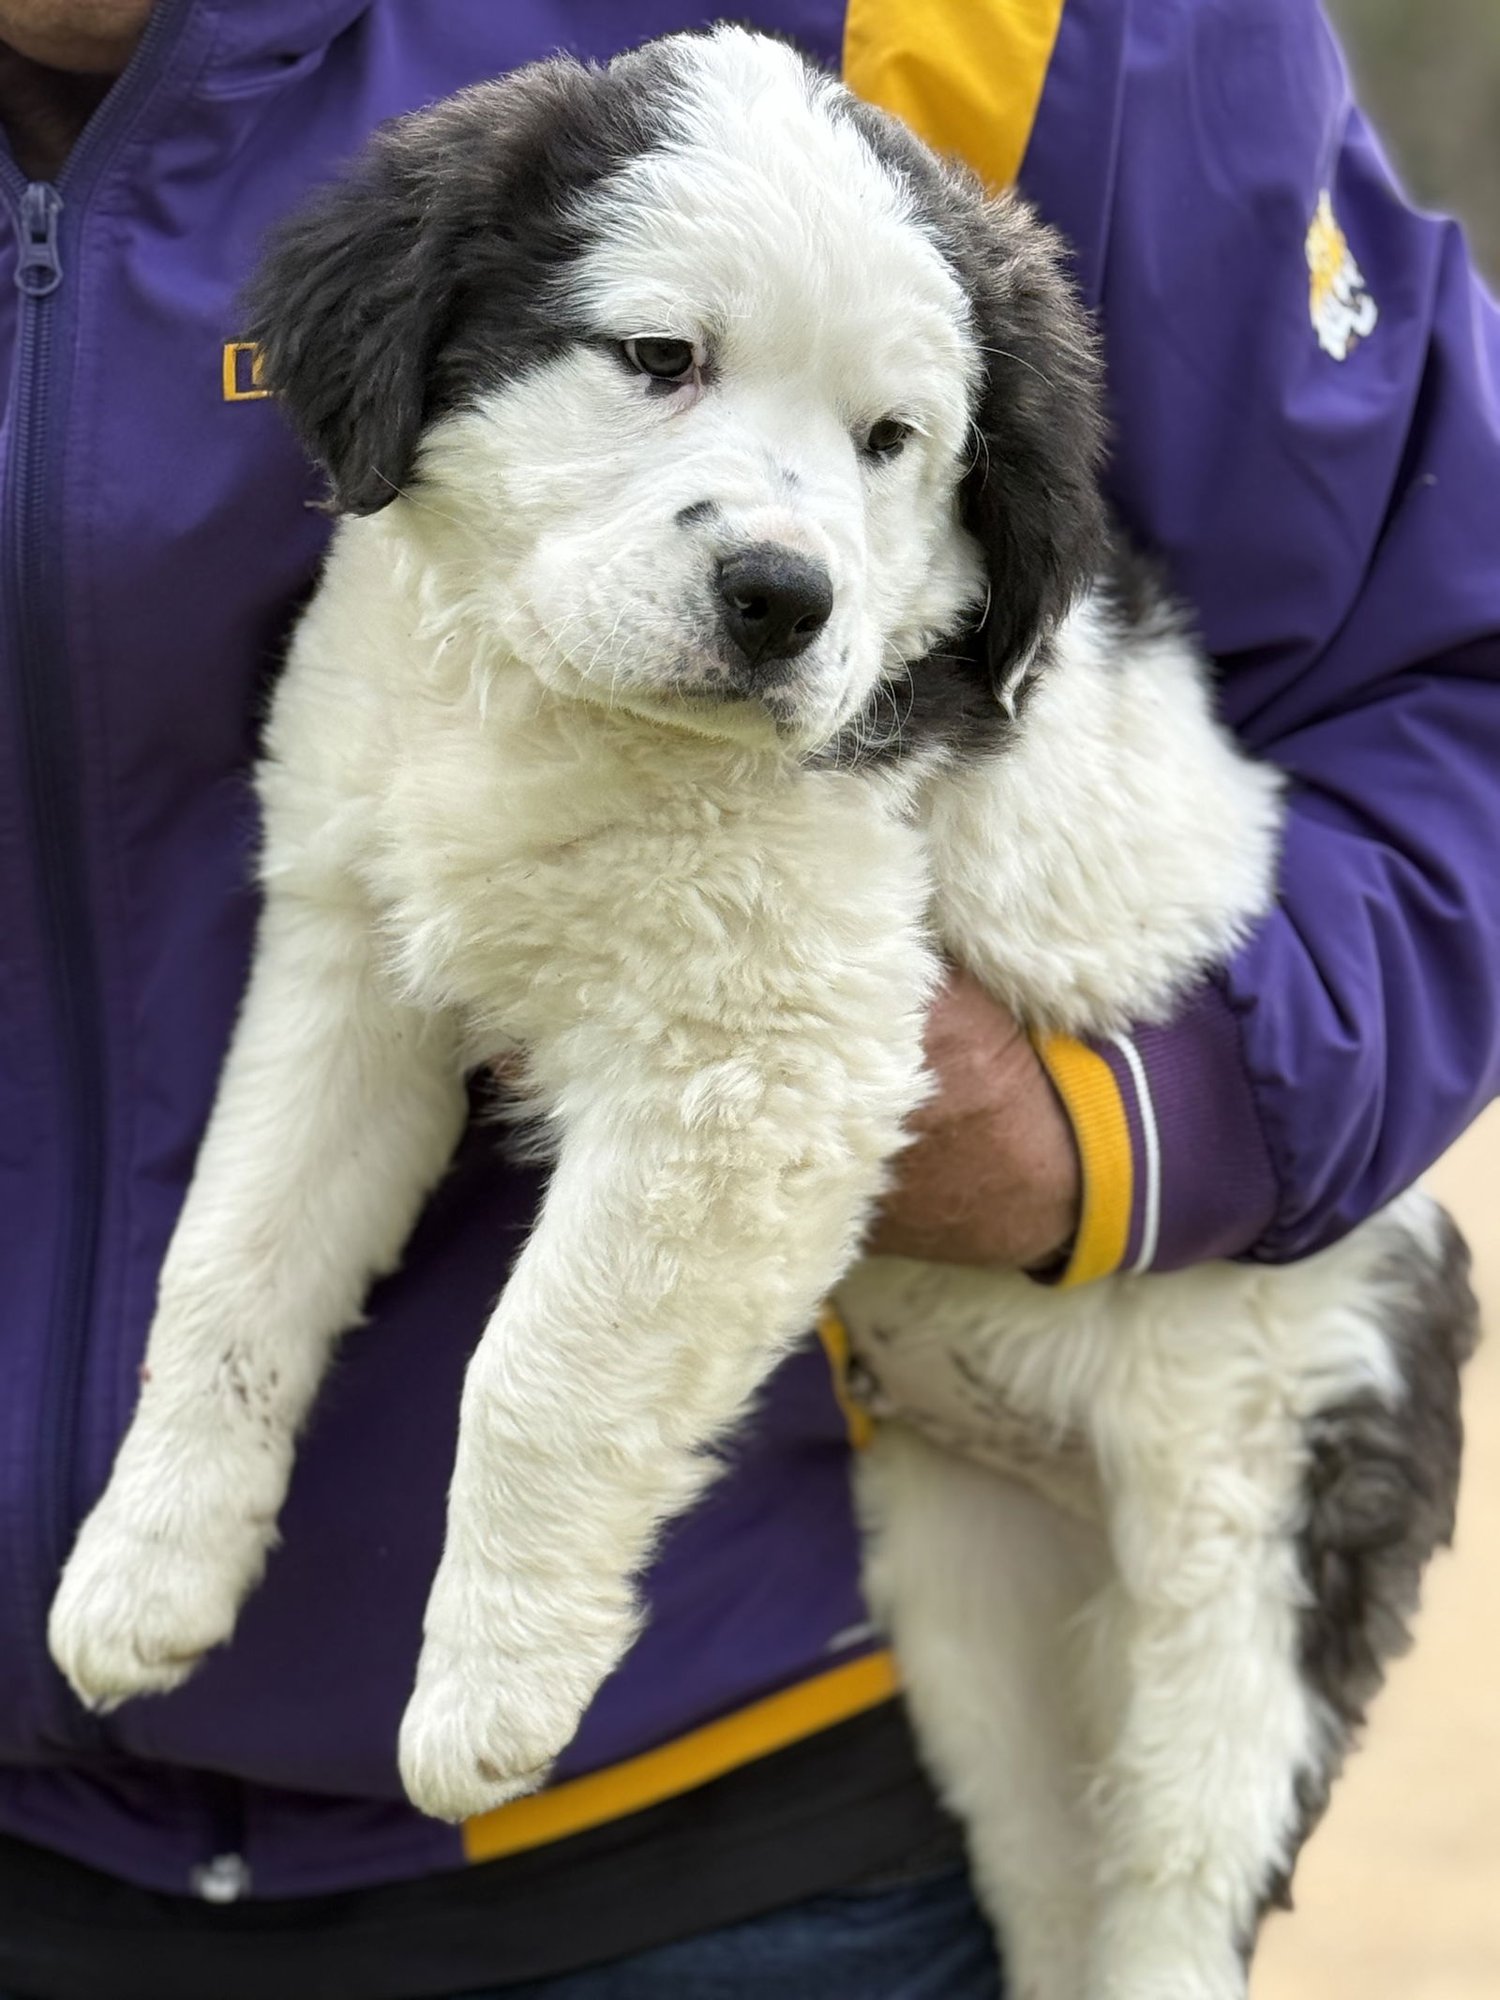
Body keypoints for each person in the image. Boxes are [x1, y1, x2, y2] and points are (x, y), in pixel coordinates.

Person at [0, 0, 1496, 1994]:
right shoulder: (424, 510)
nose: (785, 536)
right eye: (657, 365)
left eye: (884, 447)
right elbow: (344, 969)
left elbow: (1450, 672)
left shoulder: (1015, 35)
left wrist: (1127, 1131)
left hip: (749, 1799)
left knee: (1145, 1916)